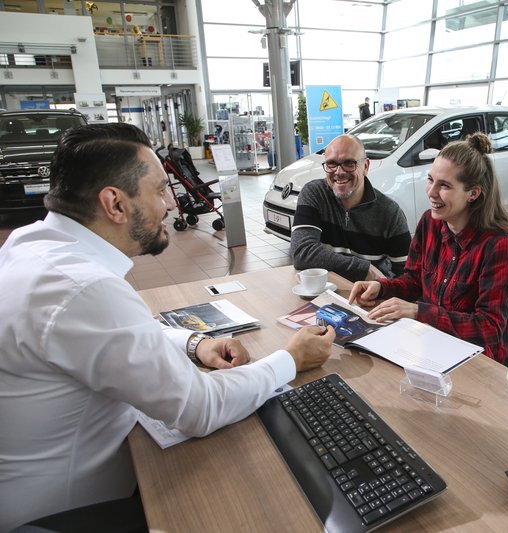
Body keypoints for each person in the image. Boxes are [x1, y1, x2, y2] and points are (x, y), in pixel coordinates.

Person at [0, 123, 336, 532]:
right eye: (160, 191)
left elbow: (119, 335)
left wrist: (194, 343)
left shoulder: (34, 246)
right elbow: (199, 408)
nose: (170, 205)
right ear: (115, 204)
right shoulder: (85, 288)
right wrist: (290, 359)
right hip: (69, 511)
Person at [348, 132, 508, 365]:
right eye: (431, 180)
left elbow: (490, 327)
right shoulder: (429, 223)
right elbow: (414, 281)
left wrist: (419, 312)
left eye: (444, 185)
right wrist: (381, 287)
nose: (431, 192)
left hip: (479, 361)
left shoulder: (498, 244)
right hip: (432, 343)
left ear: (473, 194)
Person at [290, 134, 412, 283]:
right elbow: (302, 252)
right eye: (331, 164)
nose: (339, 172)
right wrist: (365, 269)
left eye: (349, 163)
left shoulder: (390, 212)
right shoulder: (315, 194)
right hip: (326, 291)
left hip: (372, 293)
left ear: (365, 167)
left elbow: (407, 276)